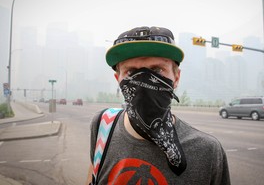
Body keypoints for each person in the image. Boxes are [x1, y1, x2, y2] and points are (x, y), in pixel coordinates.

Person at [86, 26, 230, 185]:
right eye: (130, 71)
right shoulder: (102, 126)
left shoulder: (208, 151)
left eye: (157, 69)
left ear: (176, 78)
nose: (143, 80)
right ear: (117, 79)